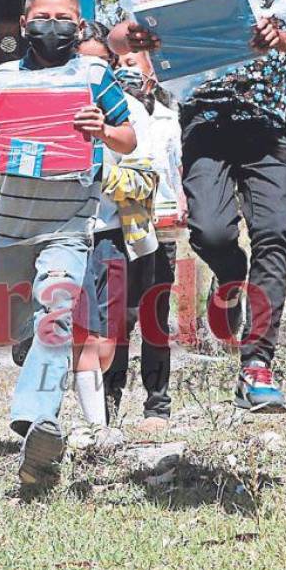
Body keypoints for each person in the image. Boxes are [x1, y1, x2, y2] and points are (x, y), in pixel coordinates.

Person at [110, 0, 286, 413]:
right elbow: (115, 35)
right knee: (209, 231)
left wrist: (281, 38)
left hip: (264, 129)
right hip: (205, 125)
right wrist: (132, 38)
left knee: (276, 233)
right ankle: (232, 275)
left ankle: (257, 365)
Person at [0, 0, 136, 486]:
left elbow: (127, 138)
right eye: (44, 17)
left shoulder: (96, 76)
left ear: (80, 24)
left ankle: (38, 417)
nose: (54, 26)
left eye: (65, 18)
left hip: (69, 223)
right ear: (24, 25)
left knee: (58, 313)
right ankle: (29, 348)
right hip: (12, 225)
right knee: (4, 330)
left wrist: (100, 131)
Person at [71, 24, 155, 444]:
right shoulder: (54, 104)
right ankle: (94, 427)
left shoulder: (132, 113)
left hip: (112, 233)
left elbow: (148, 179)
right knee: (75, 330)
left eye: (98, 63)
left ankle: (98, 402)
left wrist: (105, 173)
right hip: (60, 232)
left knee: (108, 335)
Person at [101, 63, 181, 432]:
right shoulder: (114, 115)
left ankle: (157, 405)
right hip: (121, 228)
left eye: (134, 62)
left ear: (152, 72)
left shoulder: (169, 117)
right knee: (118, 318)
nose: (125, 69)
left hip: (159, 228)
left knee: (153, 316)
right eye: (120, 64)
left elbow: (176, 169)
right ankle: (107, 402)